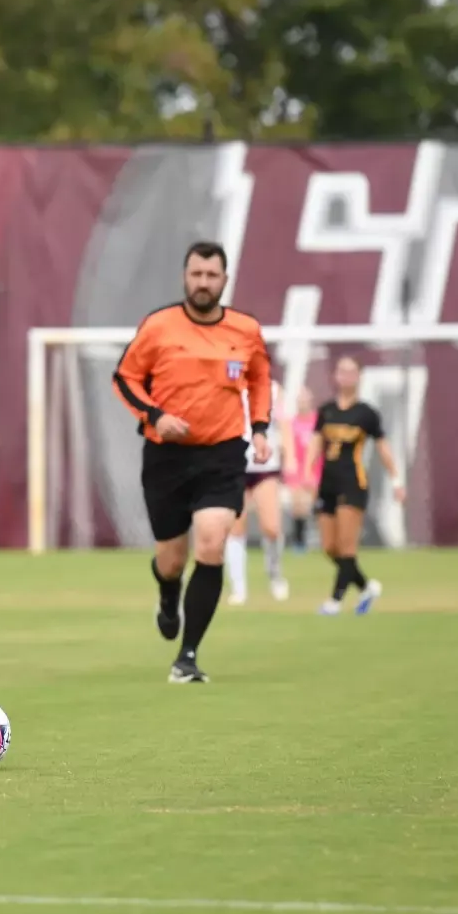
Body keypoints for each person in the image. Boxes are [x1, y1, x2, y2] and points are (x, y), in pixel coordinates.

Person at [110, 241, 273, 684]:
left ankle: (188, 656)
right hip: (166, 458)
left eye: (211, 275)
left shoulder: (245, 330)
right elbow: (125, 377)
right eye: (196, 274)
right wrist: (156, 416)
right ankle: (167, 594)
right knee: (171, 560)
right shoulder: (159, 326)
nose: (203, 283)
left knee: (212, 544)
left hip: (222, 454)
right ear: (186, 277)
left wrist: (259, 428)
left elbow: (260, 379)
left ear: (224, 280)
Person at [312, 356, 404, 615]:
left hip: (353, 483)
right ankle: (366, 587)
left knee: (347, 546)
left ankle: (335, 600)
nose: (345, 376)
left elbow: (383, 447)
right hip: (327, 484)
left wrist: (396, 480)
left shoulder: (366, 413)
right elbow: (316, 443)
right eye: (341, 371)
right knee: (330, 547)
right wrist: (306, 473)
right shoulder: (326, 410)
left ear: (359, 376)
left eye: (351, 371)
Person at [226, 377, 291, 605]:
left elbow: (283, 424)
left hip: (265, 466)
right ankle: (238, 587)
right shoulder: (227, 385)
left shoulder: (272, 388)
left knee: (272, 527)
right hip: (234, 464)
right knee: (235, 528)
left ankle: (275, 575)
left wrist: (289, 457)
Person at [283, 385, 322, 551]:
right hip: (296, 471)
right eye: (300, 399)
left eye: (305, 398)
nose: (302, 402)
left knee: (316, 504)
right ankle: (299, 541)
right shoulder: (291, 423)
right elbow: (286, 446)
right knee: (298, 506)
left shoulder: (318, 421)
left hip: (316, 469)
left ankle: (321, 537)